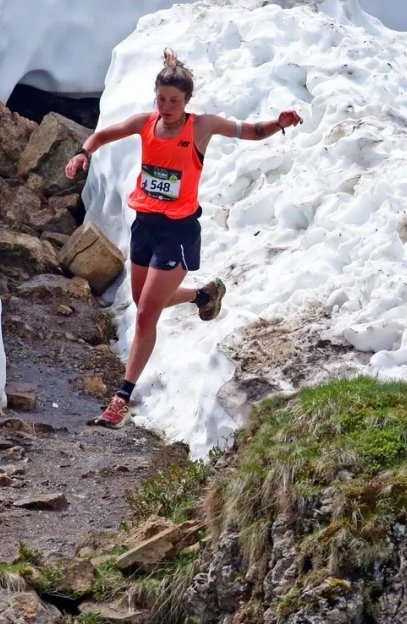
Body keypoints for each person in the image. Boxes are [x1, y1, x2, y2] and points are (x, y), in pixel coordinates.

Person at [64, 48, 303, 428]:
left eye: (174, 100)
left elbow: (251, 131)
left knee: (146, 314)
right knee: (144, 302)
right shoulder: (146, 123)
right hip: (144, 226)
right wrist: (82, 153)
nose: (167, 107)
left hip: (178, 232)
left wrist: (278, 123)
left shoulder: (202, 127)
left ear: (187, 100)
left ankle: (121, 399)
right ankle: (202, 295)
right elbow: (104, 134)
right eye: (161, 99)